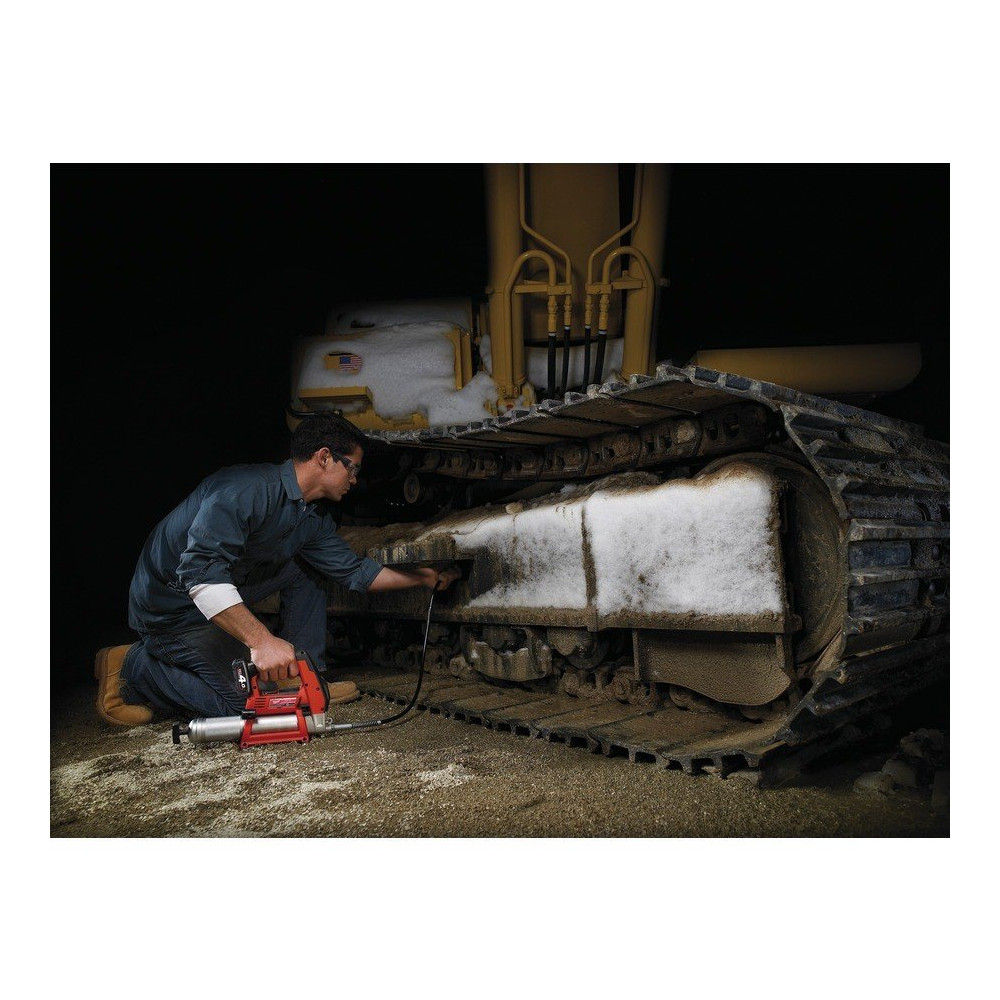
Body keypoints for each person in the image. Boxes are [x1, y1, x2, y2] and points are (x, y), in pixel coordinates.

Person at [95, 411, 460, 726]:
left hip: (214, 594)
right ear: (324, 458)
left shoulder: (310, 517)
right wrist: (262, 641)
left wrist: (423, 577)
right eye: (353, 468)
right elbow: (200, 575)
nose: (355, 480)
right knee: (248, 707)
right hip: (171, 610)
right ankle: (133, 667)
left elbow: (354, 573)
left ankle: (303, 675)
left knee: (305, 569)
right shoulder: (243, 490)